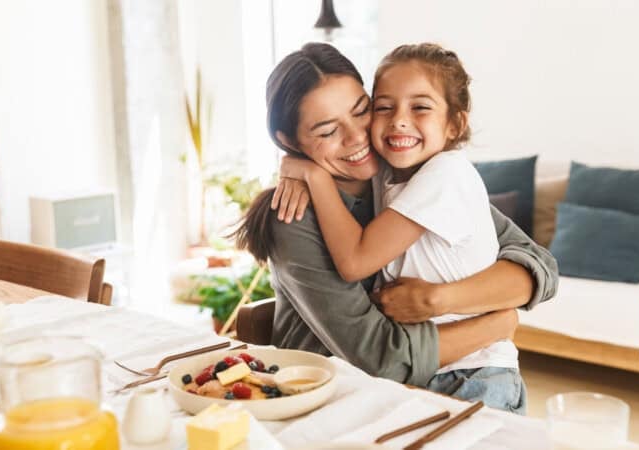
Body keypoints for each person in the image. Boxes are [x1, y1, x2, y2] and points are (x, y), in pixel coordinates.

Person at [231, 42, 558, 413]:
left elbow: (539, 265)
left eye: (362, 111)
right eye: (326, 131)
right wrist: (496, 324)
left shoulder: (407, 176)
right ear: (289, 142)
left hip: (419, 393)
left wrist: (440, 299)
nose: (356, 137)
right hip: (329, 405)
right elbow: (380, 359)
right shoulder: (294, 215)